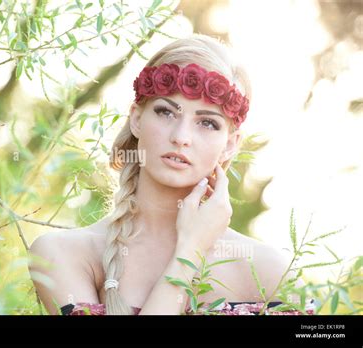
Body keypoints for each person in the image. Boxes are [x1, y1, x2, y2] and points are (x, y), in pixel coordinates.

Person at [29, 34, 314, 315]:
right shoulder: (63, 255)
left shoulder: (270, 273)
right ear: (137, 119)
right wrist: (190, 252)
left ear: (230, 144)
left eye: (207, 123)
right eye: (166, 112)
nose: (181, 137)